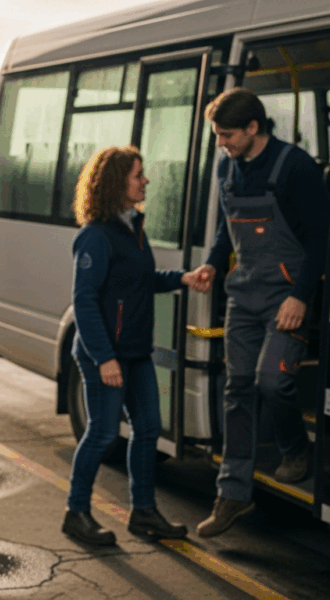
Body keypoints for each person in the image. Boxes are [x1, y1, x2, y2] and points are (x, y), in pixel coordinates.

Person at [191, 88, 330, 538]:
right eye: (217, 135)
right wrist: (213, 262)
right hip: (244, 297)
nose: (221, 143)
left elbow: (320, 239)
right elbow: (226, 228)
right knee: (238, 389)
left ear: (254, 128)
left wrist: (301, 297)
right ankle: (232, 495)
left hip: (286, 297)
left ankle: (295, 450)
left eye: (227, 134)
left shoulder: (296, 168)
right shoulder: (227, 167)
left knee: (274, 379)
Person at [62, 145, 203, 545]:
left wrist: (182, 278)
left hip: (136, 352)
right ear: (116, 183)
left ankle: (143, 513)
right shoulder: (95, 237)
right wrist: (105, 358)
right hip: (103, 356)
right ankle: (76, 513)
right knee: (103, 434)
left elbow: (141, 280)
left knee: (147, 430)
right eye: (138, 175)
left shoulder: (131, 227)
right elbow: (85, 301)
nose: (146, 181)